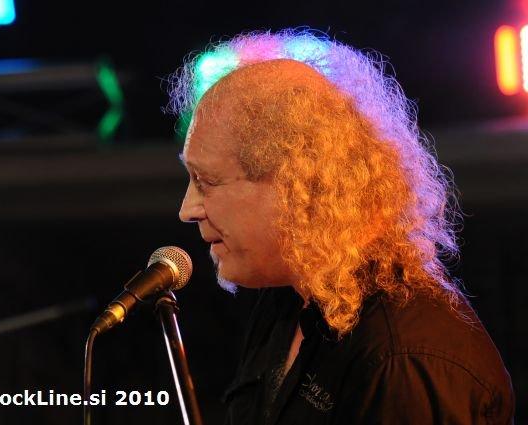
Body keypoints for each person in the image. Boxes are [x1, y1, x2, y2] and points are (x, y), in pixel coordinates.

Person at [169, 29, 515, 424]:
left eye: (207, 181)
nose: (187, 210)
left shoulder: (403, 360)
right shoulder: (287, 298)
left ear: (295, 185)